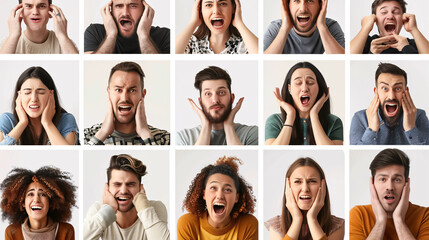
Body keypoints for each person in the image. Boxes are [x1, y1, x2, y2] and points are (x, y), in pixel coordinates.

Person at [84, 154, 169, 239]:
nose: (124, 191)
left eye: (130, 184)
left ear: (140, 188)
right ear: (107, 187)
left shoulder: (155, 208)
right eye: (117, 184)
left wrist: (144, 209)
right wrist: (108, 210)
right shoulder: (98, 210)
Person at [349, 148, 429, 239]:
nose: (390, 187)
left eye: (397, 180)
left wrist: (399, 220)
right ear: (372, 183)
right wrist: (380, 221)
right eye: (383, 179)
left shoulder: (425, 216)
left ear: (406, 183)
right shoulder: (358, 215)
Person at [84, 61, 170, 145]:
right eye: (118, 90)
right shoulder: (88, 136)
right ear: (109, 93)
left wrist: (144, 133)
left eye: (132, 90)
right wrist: (102, 133)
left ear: (143, 95)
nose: (124, 98)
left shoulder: (163, 138)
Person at [177, 156, 258, 239]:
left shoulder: (248, 225)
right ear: (204, 194)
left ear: (236, 197)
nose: (219, 196)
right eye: (213, 188)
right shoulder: (188, 224)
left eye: (227, 190)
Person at [176, 66, 258, 145]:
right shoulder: (184, 137)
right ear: (200, 102)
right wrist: (206, 126)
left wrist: (228, 126)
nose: (215, 100)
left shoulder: (251, 133)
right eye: (208, 94)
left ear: (232, 98)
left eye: (221, 92)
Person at [265, 158, 345, 240]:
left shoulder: (337, 226)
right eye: (297, 182)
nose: (305, 188)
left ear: (323, 186)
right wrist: (297, 219)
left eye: (312, 181)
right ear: (288, 187)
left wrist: (312, 219)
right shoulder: (277, 226)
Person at [350, 62, 429, 145]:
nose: (391, 96)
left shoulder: (419, 116)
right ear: (376, 92)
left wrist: (410, 128)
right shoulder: (360, 118)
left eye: (398, 88)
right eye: (384, 88)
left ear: (406, 92)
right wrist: (372, 130)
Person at [265, 62, 343, 145]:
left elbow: (331, 153)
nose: (304, 88)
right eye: (298, 83)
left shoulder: (334, 122)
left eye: (310, 82)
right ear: (289, 88)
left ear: (319, 88)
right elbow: (273, 151)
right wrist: (290, 116)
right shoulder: (275, 121)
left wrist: (314, 115)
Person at [0, 66, 79, 145]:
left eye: (41, 92)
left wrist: (47, 123)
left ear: (51, 94)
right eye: (27, 92)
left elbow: (68, 155)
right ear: (19, 95)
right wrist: (22, 123)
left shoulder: (66, 120)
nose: (34, 99)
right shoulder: (7, 120)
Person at [1, 166, 77, 240]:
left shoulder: (66, 230)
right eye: (30, 194)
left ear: (50, 202)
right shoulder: (12, 232)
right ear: (23, 202)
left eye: (42, 194)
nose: (36, 200)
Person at [84, 0, 170, 54]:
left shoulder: (165, 36)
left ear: (144, 9)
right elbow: (91, 64)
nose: (125, 13)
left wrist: (143, 36)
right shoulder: (94, 32)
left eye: (133, 6)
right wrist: (111, 35)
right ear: (110, 10)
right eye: (119, 6)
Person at [175, 0, 258, 54]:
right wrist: (193, 22)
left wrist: (239, 23)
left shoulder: (245, 44)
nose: (216, 11)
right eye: (208, 5)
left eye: (223, 4)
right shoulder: (192, 43)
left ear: (233, 8)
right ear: (200, 10)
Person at [264, 0, 344, 54]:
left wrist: (322, 27)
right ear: (287, 5)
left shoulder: (330, 27)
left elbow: (343, 62)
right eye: (296, 0)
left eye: (310, 0)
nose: (303, 9)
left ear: (321, 5)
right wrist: (284, 29)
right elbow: (264, 62)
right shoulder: (276, 28)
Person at [350, 0, 429, 54]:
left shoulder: (413, 44)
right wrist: (365, 28)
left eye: (396, 12)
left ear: (403, 19)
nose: (390, 16)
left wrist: (414, 29)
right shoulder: (366, 42)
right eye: (384, 12)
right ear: (375, 19)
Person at [0, 0, 78, 54]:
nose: (35, 12)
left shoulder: (65, 43)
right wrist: (13, 35)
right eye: (28, 6)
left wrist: (62, 36)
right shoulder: (5, 45)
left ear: (50, 11)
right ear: (20, 11)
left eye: (41, 6)